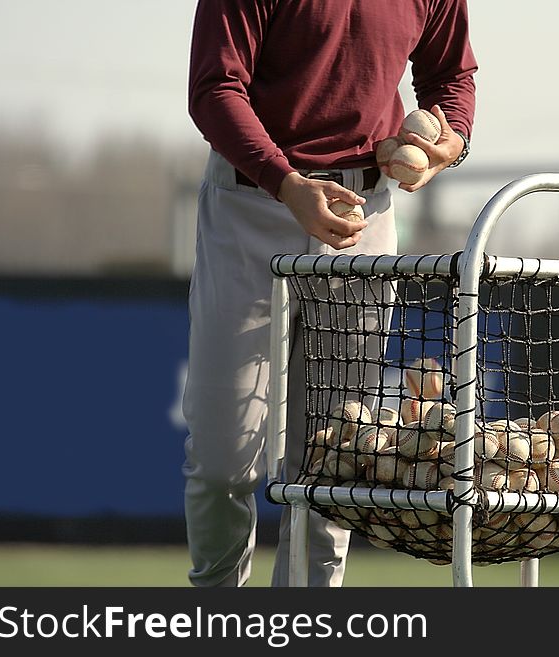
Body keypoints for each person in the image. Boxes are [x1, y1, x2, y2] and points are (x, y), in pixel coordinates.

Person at [182, 0, 478, 587]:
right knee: (222, 464)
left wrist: (453, 137)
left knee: (332, 460)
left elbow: (452, 75)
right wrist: (284, 182)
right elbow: (214, 87)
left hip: (363, 213)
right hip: (253, 202)